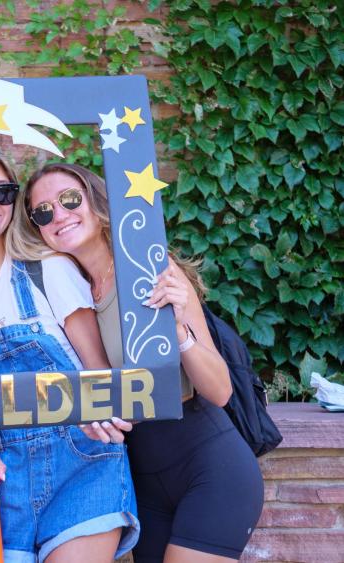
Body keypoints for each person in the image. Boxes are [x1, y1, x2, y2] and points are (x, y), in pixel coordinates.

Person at [23, 162, 264, 563]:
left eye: (69, 199)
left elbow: (220, 390)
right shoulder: (68, 291)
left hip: (208, 465)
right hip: (143, 483)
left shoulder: (150, 270)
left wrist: (179, 331)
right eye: (43, 212)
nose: (59, 215)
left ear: (96, 201)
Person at [0, 144, 139, 563]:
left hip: (81, 466)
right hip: (2, 480)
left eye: (2, 191)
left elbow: (99, 375)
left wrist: (100, 407)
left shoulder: (48, 269)